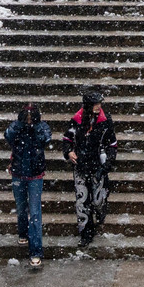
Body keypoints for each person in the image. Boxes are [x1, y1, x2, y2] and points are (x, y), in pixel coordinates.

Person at [62, 90, 118, 246]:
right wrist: (68, 152)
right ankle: (86, 233)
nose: (98, 106)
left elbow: (112, 144)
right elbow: (67, 139)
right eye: (95, 103)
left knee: (99, 199)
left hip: (98, 165)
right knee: (82, 201)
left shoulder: (106, 121)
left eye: (99, 103)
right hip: (81, 166)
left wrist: (107, 163)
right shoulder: (76, 120)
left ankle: (101, 211)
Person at [5, 104, 51, 270]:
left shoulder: (42, 127)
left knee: (35, 211)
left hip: (35, 175)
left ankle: (36, 252)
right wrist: (20, 124)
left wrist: (35, 126)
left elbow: (46, 138)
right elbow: (8, 136)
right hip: (18, 172)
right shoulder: (17, 128)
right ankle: (23, 233)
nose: (29, 119)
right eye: (27, 116)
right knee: (21, 206)